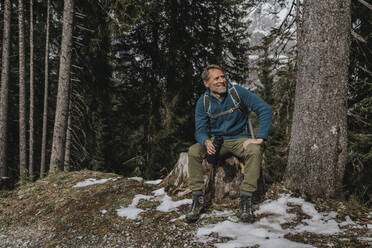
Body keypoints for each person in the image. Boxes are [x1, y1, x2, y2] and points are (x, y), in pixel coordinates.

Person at [186, 64, 272, 223]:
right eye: (216, 78)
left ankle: (245, 199)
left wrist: (260, 137)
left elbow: (264, 109)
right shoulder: (203, 101)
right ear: (206, 83)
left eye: (222, 77)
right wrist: (205, 140)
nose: (221, 81)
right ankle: (197, 197)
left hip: (240, 139)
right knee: (193, 152)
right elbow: (199, 129)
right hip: (216, 141)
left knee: (254, 150)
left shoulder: (236, 92)